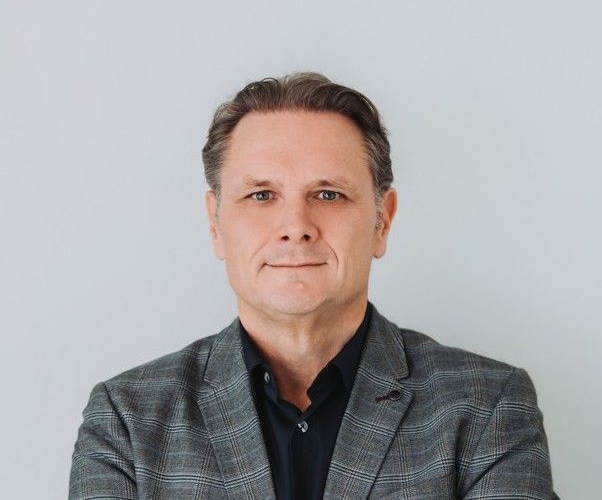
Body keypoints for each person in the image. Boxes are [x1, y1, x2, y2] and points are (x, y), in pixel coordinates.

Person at [69, 72, 558, 499]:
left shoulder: (487, 407)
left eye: (328, 194)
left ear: (382, 222)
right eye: (262, 195)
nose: (295, 227)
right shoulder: (127, 420)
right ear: (216, 225)